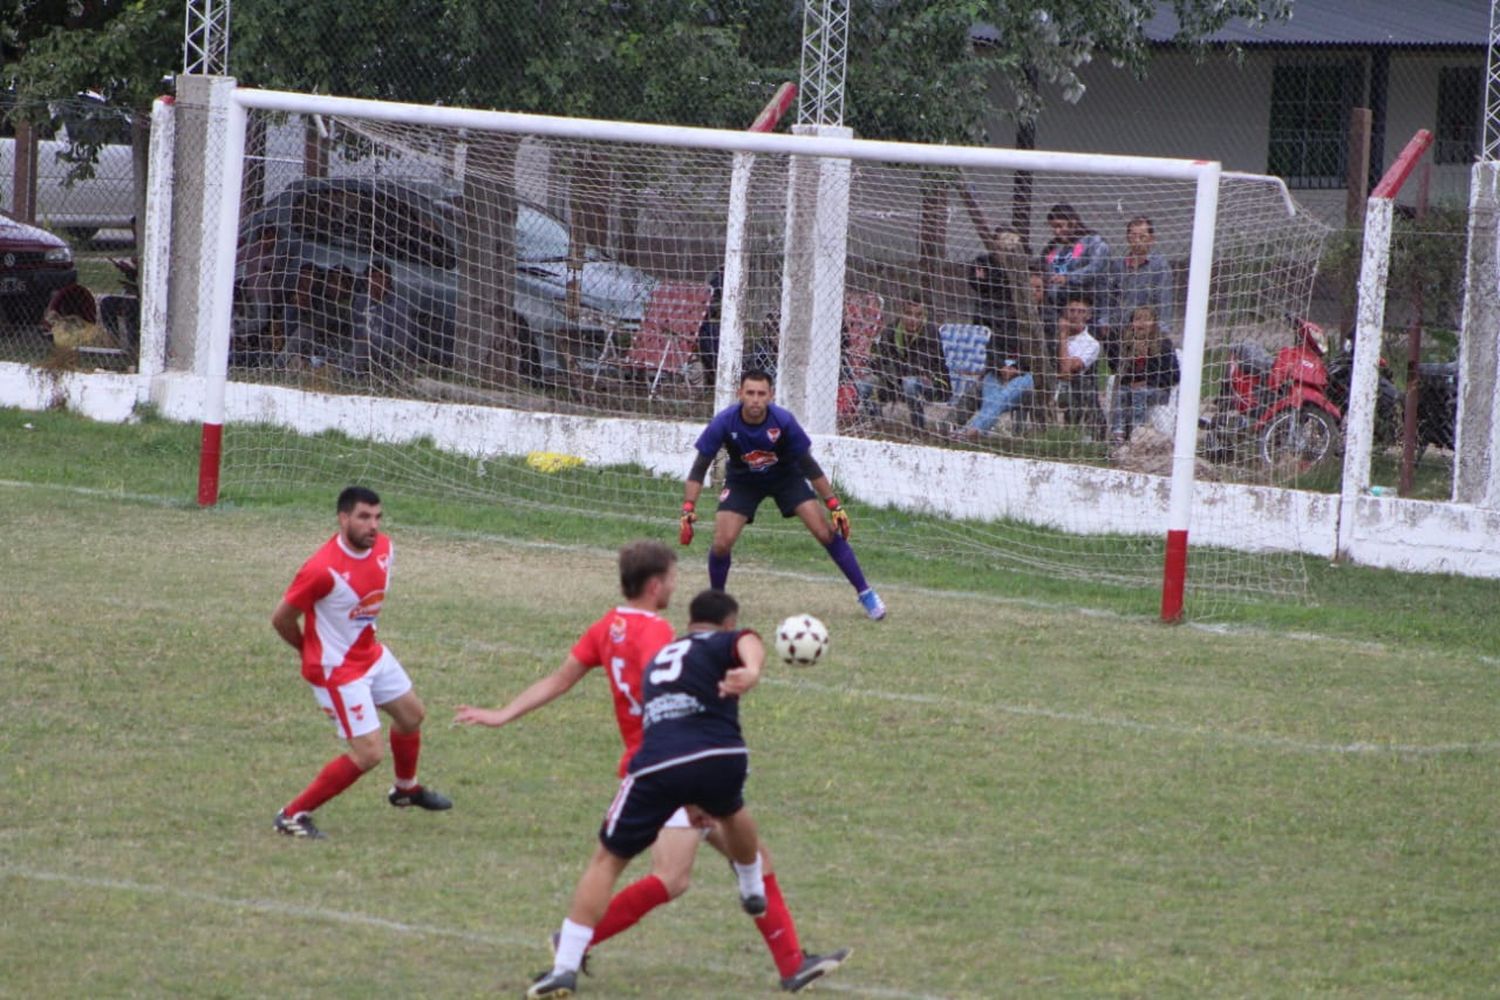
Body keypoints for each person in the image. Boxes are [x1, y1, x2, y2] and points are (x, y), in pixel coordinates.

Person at [453, 542, 844, 994]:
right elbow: (672, 698)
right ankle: (576, 943)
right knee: (673, 876)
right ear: (656, 584)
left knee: (747, 855)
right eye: (674, 578)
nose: (676, 587)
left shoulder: (606, 627)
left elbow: (558, 681)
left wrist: (503, 713)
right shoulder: (658, 636)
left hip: (654, 764)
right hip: (669, 764)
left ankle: (793, 964)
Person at [270, 486, 451, 839]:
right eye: (364, 517)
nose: (374, 525)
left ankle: (405, 790)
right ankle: (292, 815)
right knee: (368, 754)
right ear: (343, 519)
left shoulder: (384, 549)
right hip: (337, 670)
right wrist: (310, 651)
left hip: (370, 655)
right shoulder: (321, 570)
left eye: (378, 517)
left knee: (411, 715)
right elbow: (281, 619)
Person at [680, 369, 886, 621]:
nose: (755, 399)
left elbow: (809, 466)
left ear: (770, 396)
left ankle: (866, 593)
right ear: (740, 394)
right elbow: (699, 467)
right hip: (743, 481)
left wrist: (834, 504)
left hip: (786, 477)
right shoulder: (724, 422)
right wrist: (688, 507)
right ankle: (716, 603)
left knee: (825, 532)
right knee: (722, 542)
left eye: (761, 394)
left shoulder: (783, 421)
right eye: (750, 393)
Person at [957, 269, 1044, 442]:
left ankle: (970, 431)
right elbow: (994, 346)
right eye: (1030, 287)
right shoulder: (1008, 316)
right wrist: (1002, 366)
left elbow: (1043, 355)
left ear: (1044, 292)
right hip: (1000, 370)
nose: (1034, 292)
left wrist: (1016, 369)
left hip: (1029, 374)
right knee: (991, 391)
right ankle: (978, 434)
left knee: (1004, 394)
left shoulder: (1047, 319)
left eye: (1038, 288)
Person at [871, 298, 948, 430]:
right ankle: (874, 424)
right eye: (908, 313)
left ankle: (919, 428)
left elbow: (920, 366)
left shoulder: (931, 333)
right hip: (896, 381)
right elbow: (881, 361)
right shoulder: (890, 331)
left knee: (910, 383)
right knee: (867, 383)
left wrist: (893, 368)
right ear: (901, 313)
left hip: (933, 384)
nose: (912, 319)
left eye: (918, 315)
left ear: (924, 316)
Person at [1108, 305, 1181, 443]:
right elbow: (1117, 372)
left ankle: (1138, 433)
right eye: (1137, 319)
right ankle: (1117, 433)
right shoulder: (1126, 344)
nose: (1141, 323)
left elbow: (1174, 376)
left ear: (1154, 323)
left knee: (1139, 392)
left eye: (1146, 319)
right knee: (1121, 392)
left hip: (1158, 390)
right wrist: (1131, 358)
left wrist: (1147, 381)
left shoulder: (1164, 344)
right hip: (1133, 388)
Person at [1104, 216, 1175, 345]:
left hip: (1147, 331)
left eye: (1142, 237)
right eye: (1133, 237)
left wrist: (1161, 332)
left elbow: (1164, 302)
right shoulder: (1118, 265)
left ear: (1152, 240)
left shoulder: (1160, 267)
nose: (1137, 242)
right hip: (1120, 328)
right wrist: (1106, 322)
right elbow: (1110, 298)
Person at [1040, 203, 1110, 321]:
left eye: (1060, 226)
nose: (1057, 231)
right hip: (1057, 313)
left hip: (1090, 312)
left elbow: (1095, 268)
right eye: (1053, 227)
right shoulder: (1051, 248)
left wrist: (1068, 278)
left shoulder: (1093, 242)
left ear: (1073, 223)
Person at [1053, 293, 1107, 441]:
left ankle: (1075, 436)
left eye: (1081, 311)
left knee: (1080, 385)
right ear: (1064, 312)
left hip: (1074, 389)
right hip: (1050, 383)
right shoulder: (1049, 333)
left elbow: (1066, 370)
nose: (1075, 315)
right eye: (1072, 311)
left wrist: (1063, 335)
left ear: (1088, 315)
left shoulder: (1091, 343)